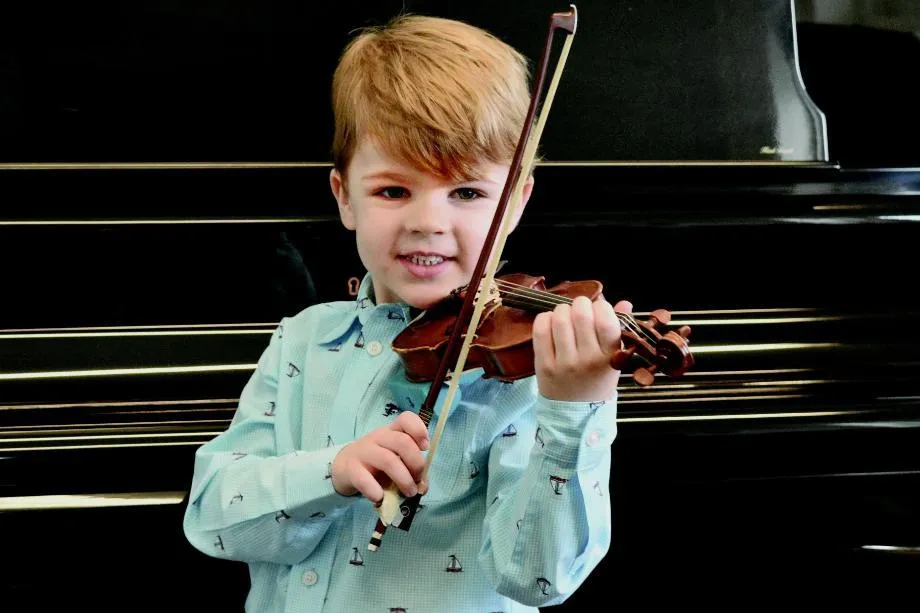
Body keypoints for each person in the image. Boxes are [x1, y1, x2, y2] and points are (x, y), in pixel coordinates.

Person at [182, 12, 631, 612]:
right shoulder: (303, 342)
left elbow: (538, 578)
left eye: (467, 193)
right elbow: (214, 519)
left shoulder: (523, 379)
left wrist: (574, 411)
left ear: (516, 201)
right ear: (344, 197)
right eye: (394, 191)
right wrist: (331, 472)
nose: (427, 222)